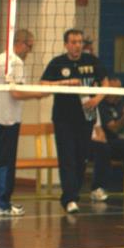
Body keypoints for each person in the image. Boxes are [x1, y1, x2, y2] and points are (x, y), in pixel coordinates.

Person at [41, 28, 109, 214]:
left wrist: (97, 99)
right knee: (67, 158)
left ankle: (74, 193)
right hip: (63, 119)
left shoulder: (91, 61)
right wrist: (64, 83)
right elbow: (43, 84)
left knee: (81, 158)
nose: (77, 45)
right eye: (73, 42)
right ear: (66, 44)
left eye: (80, 42)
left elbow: (106, 83)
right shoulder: (57, 63)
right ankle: (69, 199)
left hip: (86, 119)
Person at [0, 29, 47, 216]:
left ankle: (3, 201)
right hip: (7, 118)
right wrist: (39, 94)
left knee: (4, 159)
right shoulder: (15, 62)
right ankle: (1, 203)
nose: (29, 51)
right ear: (20, 42)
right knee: (6, 160)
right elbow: (17, 93)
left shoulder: (1, 58)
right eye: (29, 46)